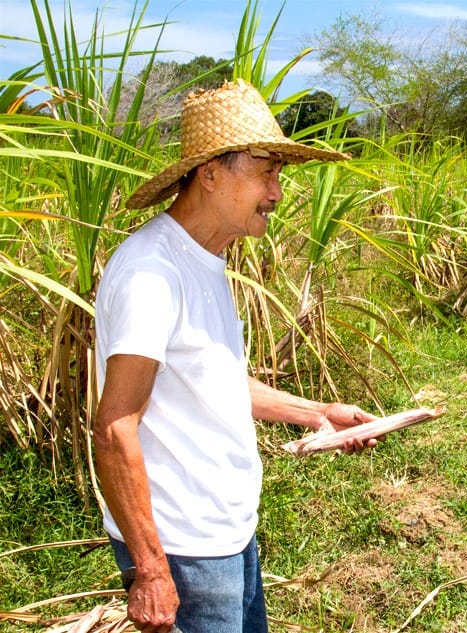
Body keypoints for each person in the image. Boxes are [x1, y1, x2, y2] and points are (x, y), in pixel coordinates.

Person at [93, 79, 378, 633]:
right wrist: (152, 571)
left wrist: (320, 413)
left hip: (225, 532)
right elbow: (114, 428)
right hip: (182, 546)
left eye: (278, 175)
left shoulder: (204, 257)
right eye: (266, 172)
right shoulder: (153, 271)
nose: (276, 192)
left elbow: (216, 380)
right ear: (211, 173)